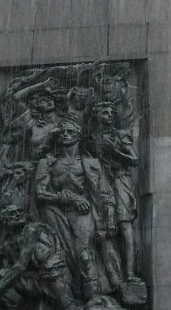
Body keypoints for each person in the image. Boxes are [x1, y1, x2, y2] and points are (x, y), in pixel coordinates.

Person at [34, 120, 114, 300]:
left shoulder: (91, 163)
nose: (65, 135)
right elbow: (40, 193)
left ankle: (94, 303)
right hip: (55, 213)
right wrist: (68, 197)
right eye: (62, 133)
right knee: (59, 259)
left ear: (78, 136)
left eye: (69, 132)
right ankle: (68, 302)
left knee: (84, 257)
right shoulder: (47, 162)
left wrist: (107, 223)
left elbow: (104, 194)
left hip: (83, 214)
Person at [89, 101, 141, 286]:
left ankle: (129, 272)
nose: (109, 115)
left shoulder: (120, 135)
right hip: (99, 181)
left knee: (125, 224)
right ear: (97, 115)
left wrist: (116, 153)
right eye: (105, 112)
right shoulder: (92, 137)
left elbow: (134, 160)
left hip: (120, 180)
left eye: (111, 112)